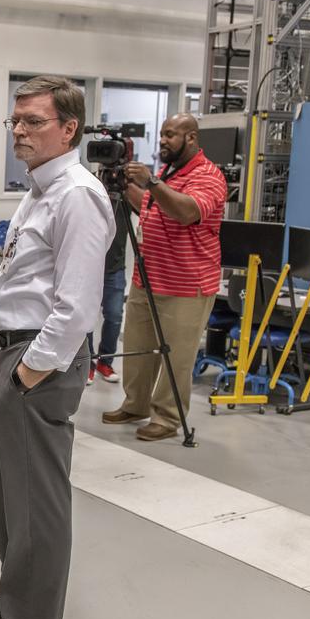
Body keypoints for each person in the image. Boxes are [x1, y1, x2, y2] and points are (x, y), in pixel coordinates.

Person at [0, 75, 114, 619]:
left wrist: (30, 371)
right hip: (15, 353)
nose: (20, 131)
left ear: (68, 128)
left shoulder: (77, 194)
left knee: (36, 502)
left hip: (39, 359)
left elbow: (77, 305)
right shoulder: (41, 188)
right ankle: (17, 592)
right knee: (7, 492)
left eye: (34, 122)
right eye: (16, 121)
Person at [101, 113, 228, 441]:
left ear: (191, 137)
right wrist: (121, 185)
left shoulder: (208, 175)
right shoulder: (168, 172)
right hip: (149, 277)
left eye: (170, 135)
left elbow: (186, 211)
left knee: (177, 355)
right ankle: (136, 404)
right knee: (138, 347)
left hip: (187, 284)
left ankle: (168, 417)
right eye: (161, 135)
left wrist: (152, 183)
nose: (163, 141)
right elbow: (150, 207)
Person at [86, 197, 131, 384]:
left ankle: (105, 361)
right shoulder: (90, 192)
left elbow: (146, 206)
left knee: (114, 316)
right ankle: (86, 364)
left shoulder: (125, 195)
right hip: (89, 265)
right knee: (85, 318)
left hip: (115, 267)